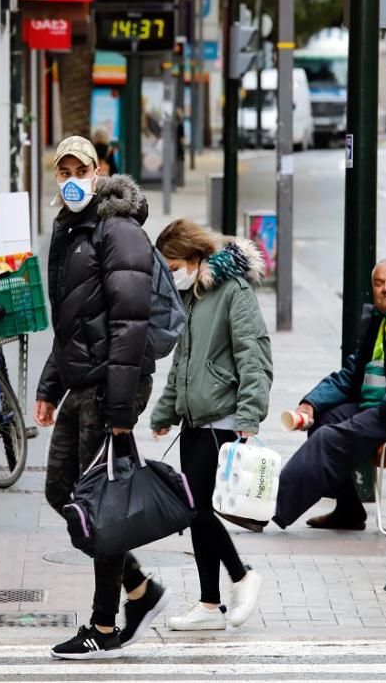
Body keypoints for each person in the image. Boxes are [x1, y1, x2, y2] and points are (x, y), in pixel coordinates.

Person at [36, 135, 167, 660]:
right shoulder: (70, 230)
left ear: (99, 171)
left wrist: (119, 410)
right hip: (85, 381)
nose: (70, 176)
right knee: (60, 491)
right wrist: (49, 385)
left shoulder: (118, 231)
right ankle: (140, 588)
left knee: (100, 506)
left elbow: (130, 325)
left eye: (80, 168)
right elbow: (74, 322)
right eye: (62, 168)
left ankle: (105, 624)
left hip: (113, 384)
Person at [149, 219, 272, 631]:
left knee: (197, 509)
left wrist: (250, 415)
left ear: (193, 256)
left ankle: (241, 575)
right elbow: (182, 364)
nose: (169, 274)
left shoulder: (232, 291)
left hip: (223, 419)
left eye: (171, 265)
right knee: (193, 511)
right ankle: (209, 604)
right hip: (195, 420)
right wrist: (166, 412)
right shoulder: (194, 296)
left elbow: (254, 354)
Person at [273, 259, 386, 530]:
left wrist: (379, 412)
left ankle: (270, 508)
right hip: (379, 411)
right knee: (325, 419)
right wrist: (310, 403)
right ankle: (348, 511)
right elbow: (350, 376)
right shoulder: (379, 321)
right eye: (379, 283)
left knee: (328, 438)